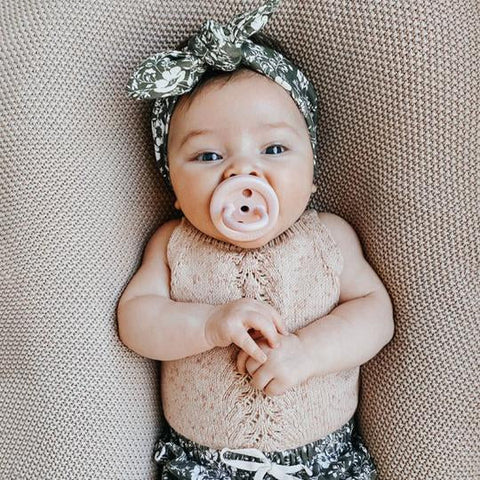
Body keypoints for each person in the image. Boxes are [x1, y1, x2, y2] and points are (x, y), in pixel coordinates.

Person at [119, 1, 394, 478]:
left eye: (274, 149)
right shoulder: (171, 245)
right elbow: (137, 321)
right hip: (203, 464)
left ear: (311, 173)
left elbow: (375, 315)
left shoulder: (329, 238)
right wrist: (209, 325)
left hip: (324, 460)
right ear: (174, 188)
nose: (243, 171)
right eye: (208, 156)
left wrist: (309, 353)